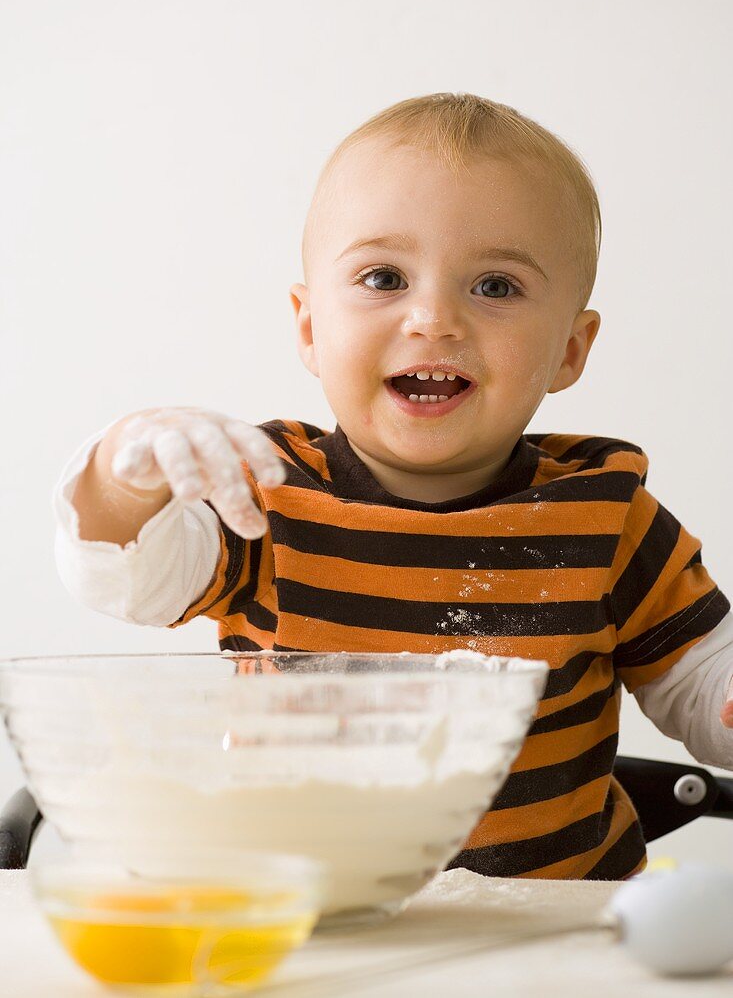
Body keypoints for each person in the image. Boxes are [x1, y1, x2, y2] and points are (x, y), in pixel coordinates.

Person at [54, 92, 733, 880]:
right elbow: (126, 579)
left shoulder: (605, 517)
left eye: (496, 287)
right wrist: (122, 474)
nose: (433, 318)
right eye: (384, 277)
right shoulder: (265, 491)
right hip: (309, 931)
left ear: (569, 352)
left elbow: (699, 680)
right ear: (310, 328)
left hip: (549, 941)